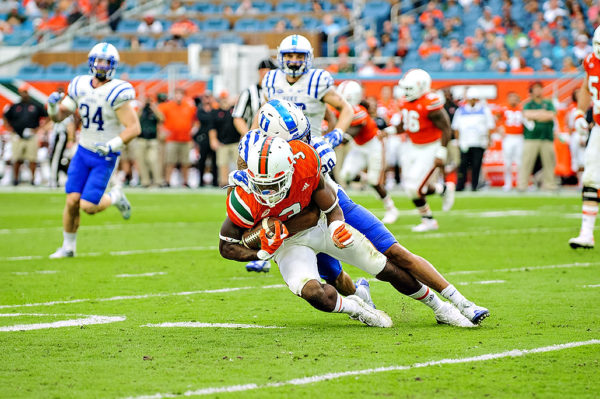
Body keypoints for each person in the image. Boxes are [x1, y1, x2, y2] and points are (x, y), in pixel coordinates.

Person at [232, 100, 490, 326]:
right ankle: (360, 300)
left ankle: (459, 303)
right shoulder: (252, 158)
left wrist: (334, 220)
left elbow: (323, 194)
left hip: (330, 208)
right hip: (296, 230)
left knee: (393, 253)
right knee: (334, 278)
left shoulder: (310, 152)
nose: (302, 144)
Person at [46, 42, 141, 258]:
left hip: (104, 155)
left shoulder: (118, 91)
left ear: (113, 65)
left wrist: (112, 145)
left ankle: (115, 197)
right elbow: (60, 116)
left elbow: (134, 128)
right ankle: (68, 247)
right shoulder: (79, 85)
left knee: (88, 206)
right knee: (71, 201)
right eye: (98, 60)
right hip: (83, 150)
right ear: (91, 61)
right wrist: (52, 107)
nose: (101, 65)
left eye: (106, 62)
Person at [259, 34, 354, 145]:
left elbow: (347, 109)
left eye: (299, 56)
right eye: (289, 56)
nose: (294, 61)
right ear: (282, 57)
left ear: (308, 57)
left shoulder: (317, 80)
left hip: (310, 148)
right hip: (277, 148)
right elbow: (261, 113)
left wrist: (337, 132)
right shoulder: (272, 79)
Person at [393, 69, 455, 232]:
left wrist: (441, 151)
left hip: (430, 147)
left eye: (409, 88)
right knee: (412, 187)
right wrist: (388, 131)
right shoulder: (405, 102)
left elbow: (447, 128)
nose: (405, 92)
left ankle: (429, 221)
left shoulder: (430, 103)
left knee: (415, 188)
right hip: (412, 146)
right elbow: (403, 125)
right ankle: (443, 189)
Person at [336, 80, 399, 224]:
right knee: (345, 175)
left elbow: (352, 131)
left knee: (374, 181)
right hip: (358, 146)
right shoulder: (339, 109)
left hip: (373, 145)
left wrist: (338, 138)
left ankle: (391, 208)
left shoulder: (359, 111)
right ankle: (365, 178)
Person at [569, 27, 600, 249]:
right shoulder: (591, 59)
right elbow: (586, 86)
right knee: (590, 176)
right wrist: (580, 112)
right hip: (598, 126)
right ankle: (586, 233)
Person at [3, 84, 48, 185]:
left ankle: (32, 179)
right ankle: (15, 179)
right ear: (20, 93)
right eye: (22, 92)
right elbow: (5, 116)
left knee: (32, 159)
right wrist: (9, 129)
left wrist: (40, 129)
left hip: (31, 136)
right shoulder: (15, 106)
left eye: (25, 92)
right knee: (17, 158)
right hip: (17, 136)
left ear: (28, 93)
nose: (24, 94)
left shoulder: (35, 106)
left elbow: (47, 116)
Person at [452, 88, 495, 191]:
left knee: (477, 165)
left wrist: (488, 140)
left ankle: (475, 186)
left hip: (479, 142)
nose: (472, 101)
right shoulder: (461, 110)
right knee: (463, 165)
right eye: (470, 99)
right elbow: (456, 127)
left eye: (474, 99)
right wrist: (458, 140)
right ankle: (460, 186)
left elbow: (490, 126)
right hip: (465, 142)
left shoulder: (484, 110)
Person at [518, 81, 557, 191]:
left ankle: (550, 184)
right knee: (527, 162)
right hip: (531, 137)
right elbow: (526, 115)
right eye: (535, 88)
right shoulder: (528, 104)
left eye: (540, 88)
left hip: (547, 137)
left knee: (549, 162)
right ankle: (522, 184)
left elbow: (551, 115)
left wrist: (536, 115)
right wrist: (542, 113)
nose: (538, 91)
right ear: (531, 91)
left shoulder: (548, 103)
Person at [159, 88, 197, 187]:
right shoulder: (167, 106)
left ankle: (185, 181)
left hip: (185, 139)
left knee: (185, 162)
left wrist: (192, 130)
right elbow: (159, 120)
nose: (179, 96)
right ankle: (167, 181)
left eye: (181, 94)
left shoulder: (189, 106)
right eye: (177, 94)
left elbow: (195, 121)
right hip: (172, 139)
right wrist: (163, 130)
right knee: (170, 161)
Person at [232, 58, 277, 136]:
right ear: (260, 71)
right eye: (268, 71)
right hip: (255, 137)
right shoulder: (249, 92)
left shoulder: (279, 91)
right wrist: (249, 136)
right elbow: (237, 117)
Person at [209, 92, 240, 187]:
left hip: (235, 141)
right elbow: (212, 128)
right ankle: (223, 182)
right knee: (222, 164)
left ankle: (239, 182)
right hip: (222, 142)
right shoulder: (215, 112)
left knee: (238, 163)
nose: (224, 100)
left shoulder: (235, 110)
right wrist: (213, 140)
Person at [48, 88, 76, 188]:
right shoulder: (56, 109)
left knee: (56, 159)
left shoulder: (65, 110)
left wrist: (70, 139)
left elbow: (70, 125)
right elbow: (52, 123)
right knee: (54, 158)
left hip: (61, 136)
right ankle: (55, 179)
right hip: (56, 135)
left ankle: (53, 180)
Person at [135, 95, 165, 187]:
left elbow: (162, 119)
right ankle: (145, 181)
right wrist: (141, 108)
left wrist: (154, 109)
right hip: (142, 139)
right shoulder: (141, 111)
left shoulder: (155, 111)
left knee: (153, 160)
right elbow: (135, 119)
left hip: (153, 139)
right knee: (142, 161)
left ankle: (158, 181)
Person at [498, 92, 524, 191]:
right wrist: (500, 129)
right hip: (508, 137)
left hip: (519, 137)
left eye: (515, 98)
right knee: (507, 162)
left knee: (519, 162)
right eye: (511, 98)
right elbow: (497, 120)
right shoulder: (504, 109)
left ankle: (520, 182)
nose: (513, 100)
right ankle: (507, 183)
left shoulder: (522, 110)